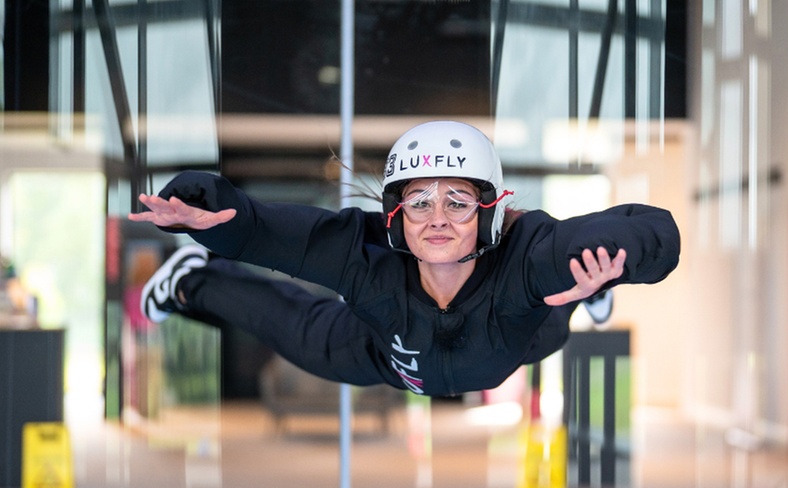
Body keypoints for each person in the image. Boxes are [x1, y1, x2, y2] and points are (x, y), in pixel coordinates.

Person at [128, 120, 680, 396]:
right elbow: (267, 232)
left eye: (457, 202)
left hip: (511, 341)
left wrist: (621, 260)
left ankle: (595, 289)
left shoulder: (528, 254)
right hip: (381, 351)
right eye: (419, 202)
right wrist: (211, 209)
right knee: (297, 331)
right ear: (395, 216)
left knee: (560, 307)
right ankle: (192, 281)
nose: (437, 218)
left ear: (489, 211)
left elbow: (654, 231)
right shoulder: (367, 257)